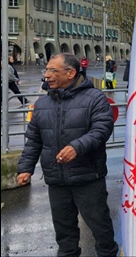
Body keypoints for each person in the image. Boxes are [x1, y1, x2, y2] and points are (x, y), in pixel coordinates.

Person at [16, 53, 118, 257]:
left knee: (100, 227)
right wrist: (25, 168)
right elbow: (34, 139)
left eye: (53, 71)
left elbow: (102, 129)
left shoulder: (95, 98)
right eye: (46, 70)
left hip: (88, 177)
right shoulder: (42, 104)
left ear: (71, 73)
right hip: (56, 180)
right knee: (64, 233)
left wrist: (77, 147)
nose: (47, 75)